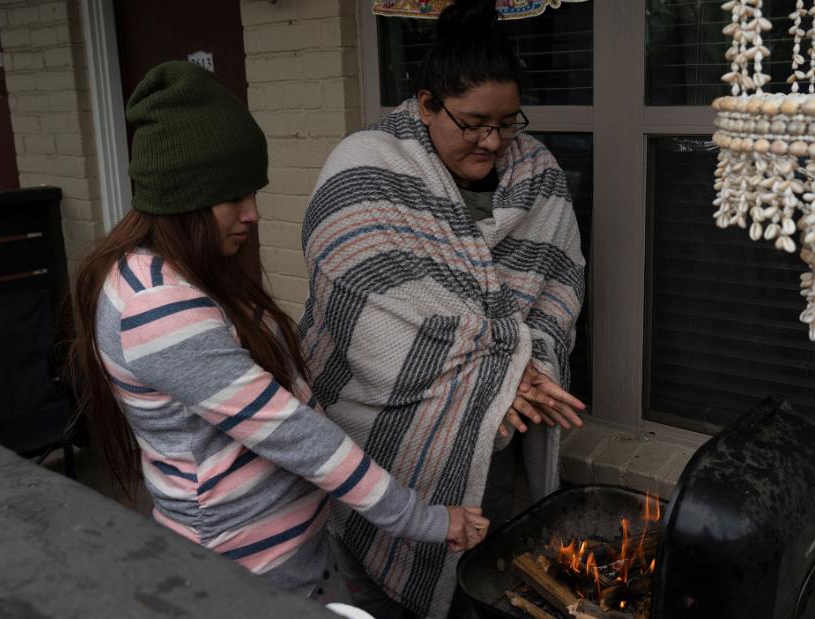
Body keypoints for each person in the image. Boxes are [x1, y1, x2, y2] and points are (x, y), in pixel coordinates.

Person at [69, 61, 488, 605]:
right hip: (245, 575)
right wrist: (425, 520)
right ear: (185, 197)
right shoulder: (160, 305)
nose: (253, 214)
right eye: (235, 197)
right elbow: (292, 432)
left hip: (289, 558)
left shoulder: (172, 271)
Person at [298, 1, 587, 616]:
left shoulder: (537, 174)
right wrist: (501, 372)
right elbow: (362, 289)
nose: (492, 142)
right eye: (474, 123)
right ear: (427, 103)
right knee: (374, 596)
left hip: (493, 439)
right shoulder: (367, 163)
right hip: (378, 435)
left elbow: (558, 286)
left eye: (508, 123)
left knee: (479, 578)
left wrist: (519, 371)